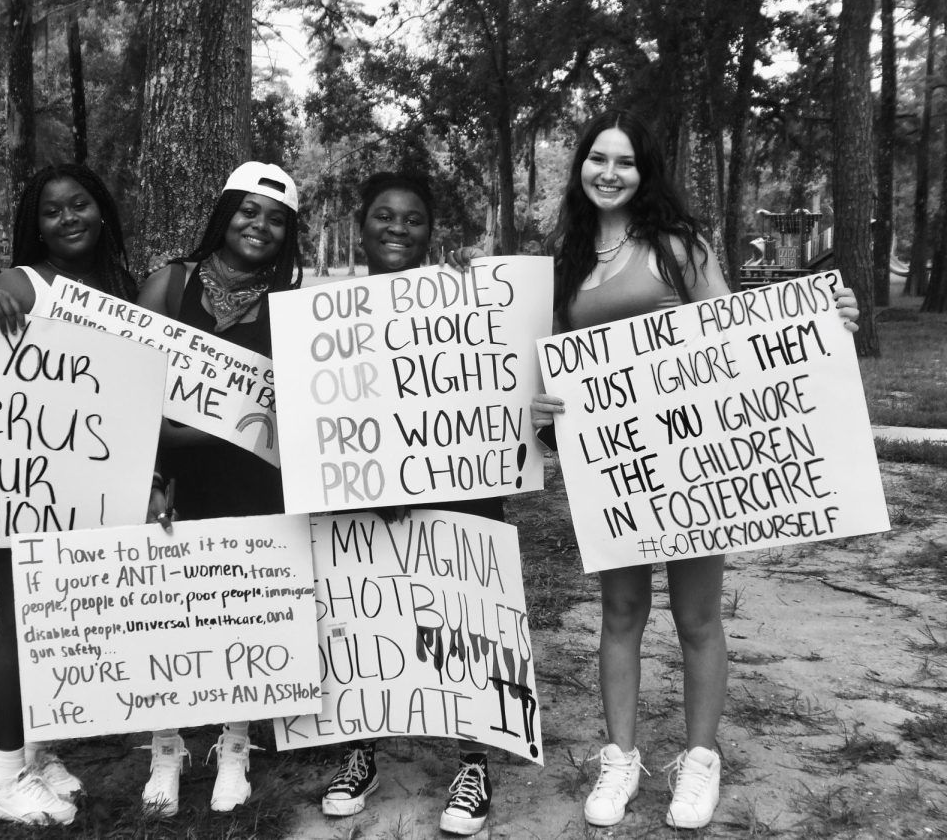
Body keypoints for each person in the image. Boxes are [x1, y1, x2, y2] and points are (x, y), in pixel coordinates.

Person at [529, 109, 860, 830]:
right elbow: (548, 360)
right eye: (596, 158)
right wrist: (543, 412)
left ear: (645, 173)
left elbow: (738, 337)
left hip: (688, 464)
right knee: (619, 614)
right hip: (615, 471)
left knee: (697, 616)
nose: (608, 172)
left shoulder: (678, 247)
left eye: (625, 161)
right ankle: (620, 757)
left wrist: (823, 318)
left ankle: (700, 761)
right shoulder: (564, 260)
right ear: (580, 167)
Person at [0, 162, 169, 825]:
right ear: (36, 226)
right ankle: (2, 779)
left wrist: (155, 480)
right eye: (51, 212)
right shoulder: (22, 283)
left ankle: (35, 753)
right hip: (23, 485)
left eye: (78, 204)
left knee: (58, 621)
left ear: (101, 211)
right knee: (18, 623)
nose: (68, 218)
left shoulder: (121, 291)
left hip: (96, 486)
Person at [317, 171, 502, 837]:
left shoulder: (463, 300)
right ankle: (359, 749)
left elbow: (489, 391)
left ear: (431, 231)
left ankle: (474, 760)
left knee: (462, 614)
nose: (397, 228)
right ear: (361, 224)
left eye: (413, 218)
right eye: (384, 216)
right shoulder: (325, 314)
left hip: (456, 486)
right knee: (361, 612)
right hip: (362, 496)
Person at [134, 161, 303, 816]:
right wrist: (150, 474)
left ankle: (235, 742)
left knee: (240, 609)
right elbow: (125, 382)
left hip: (254, 481)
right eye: (249, 210)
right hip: (172, 482)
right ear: (225, 213)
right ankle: (167, 744)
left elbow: (295, 406)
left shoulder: (288, 304)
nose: (260, 226)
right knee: (171, 614)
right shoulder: (168, 283)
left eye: (277, 218)